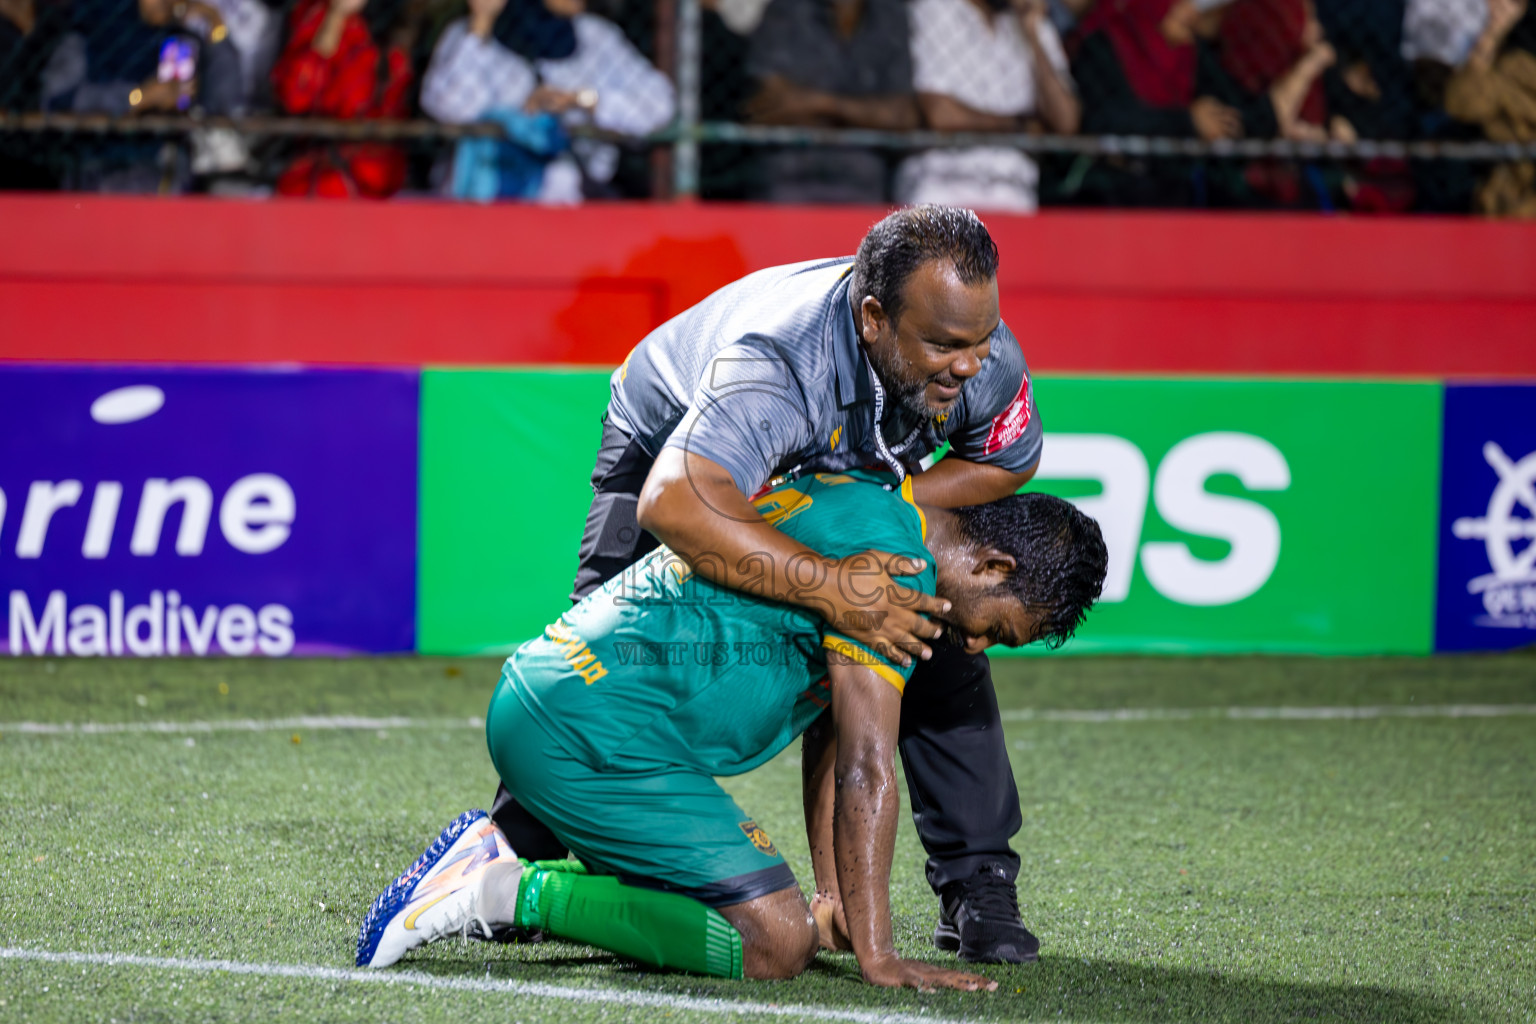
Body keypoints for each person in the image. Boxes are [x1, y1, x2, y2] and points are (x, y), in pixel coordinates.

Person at [479, 205, 1052, 966]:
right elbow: (676, 500)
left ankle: (977, 879)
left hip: (834, 476)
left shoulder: (980, 352)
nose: (971, 365)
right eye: (947, 344)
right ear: (874, 318)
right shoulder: (781, 363)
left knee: (925, 616)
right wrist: (829, 583)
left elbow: (1009, 462)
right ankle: (505, 860)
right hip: (670, 446)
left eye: (981, 340)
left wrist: (884, 512)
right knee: (614, 663)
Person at [357, 471, 1107, 985]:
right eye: (999, 632)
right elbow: (868, 770)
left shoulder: (871, 504)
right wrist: (880, 955)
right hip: (591, 733)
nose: (975, 649)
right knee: (776, 943)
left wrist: (839, 899)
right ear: (992, 566)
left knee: (789, 921)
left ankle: (491, 855)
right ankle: (497, 891)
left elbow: (835, 737)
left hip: (560, 692)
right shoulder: (901, 572)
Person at [420, 0, 675, 203]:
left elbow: (659, 106)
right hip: (488, 194)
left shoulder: (595, 37)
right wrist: (481, 22)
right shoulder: (471, 36)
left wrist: (582, 100)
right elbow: (449, 107)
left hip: (570, 202)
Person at [897, 0, 1080, 212]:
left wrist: (1032, 34)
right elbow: (942, 114)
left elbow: (1067, 122)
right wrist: (1018, 127)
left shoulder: (1034, 25)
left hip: (1014, 189)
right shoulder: (935, 9)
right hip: (941, 183)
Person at [744, 0, 917, 202]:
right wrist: (864, 115)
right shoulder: (785, 11)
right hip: (791, 175)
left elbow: (902, 117)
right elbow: (768, 107)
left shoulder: (890, 16)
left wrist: (820, 104)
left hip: (863, 180)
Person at [270, 0, 417, 198]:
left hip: (373, 182)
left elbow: (393, 119)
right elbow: (295, 97)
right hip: (312, 180)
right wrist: (334, 18)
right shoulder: (313, 16)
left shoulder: (394, 37)